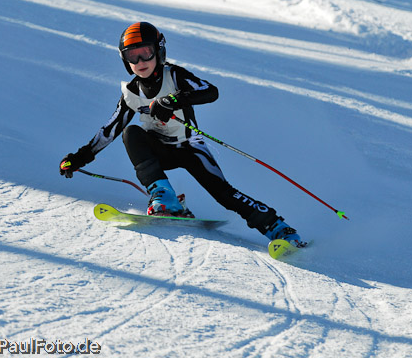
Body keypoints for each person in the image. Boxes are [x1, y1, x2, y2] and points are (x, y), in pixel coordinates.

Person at [59, 21, 306, 247]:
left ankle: (279, 229)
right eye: (132, 56)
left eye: (145, 52)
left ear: (159, 50)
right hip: (158, 149)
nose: (140, 61)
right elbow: (110, 130)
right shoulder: (131, 92)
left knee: (224, 194)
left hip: (189, 147)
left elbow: (211, 91)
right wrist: (79, 158)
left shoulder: (174, 75)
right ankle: (165, 199)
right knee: (131, 132)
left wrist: (173, 100)